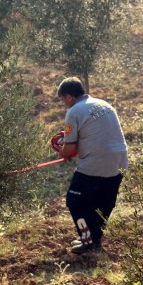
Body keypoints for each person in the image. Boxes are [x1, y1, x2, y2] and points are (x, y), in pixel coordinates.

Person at [51, 77, 128, 254]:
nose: (63, 103)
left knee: (74, 201)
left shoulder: (74, 111)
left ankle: (88, 240)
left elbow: (69, 149)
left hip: (96, 162)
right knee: (103, 203)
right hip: (120, 162)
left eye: (62, 99)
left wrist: (63, 152)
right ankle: (95, 238)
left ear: (69, 96)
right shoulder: (104, 105)